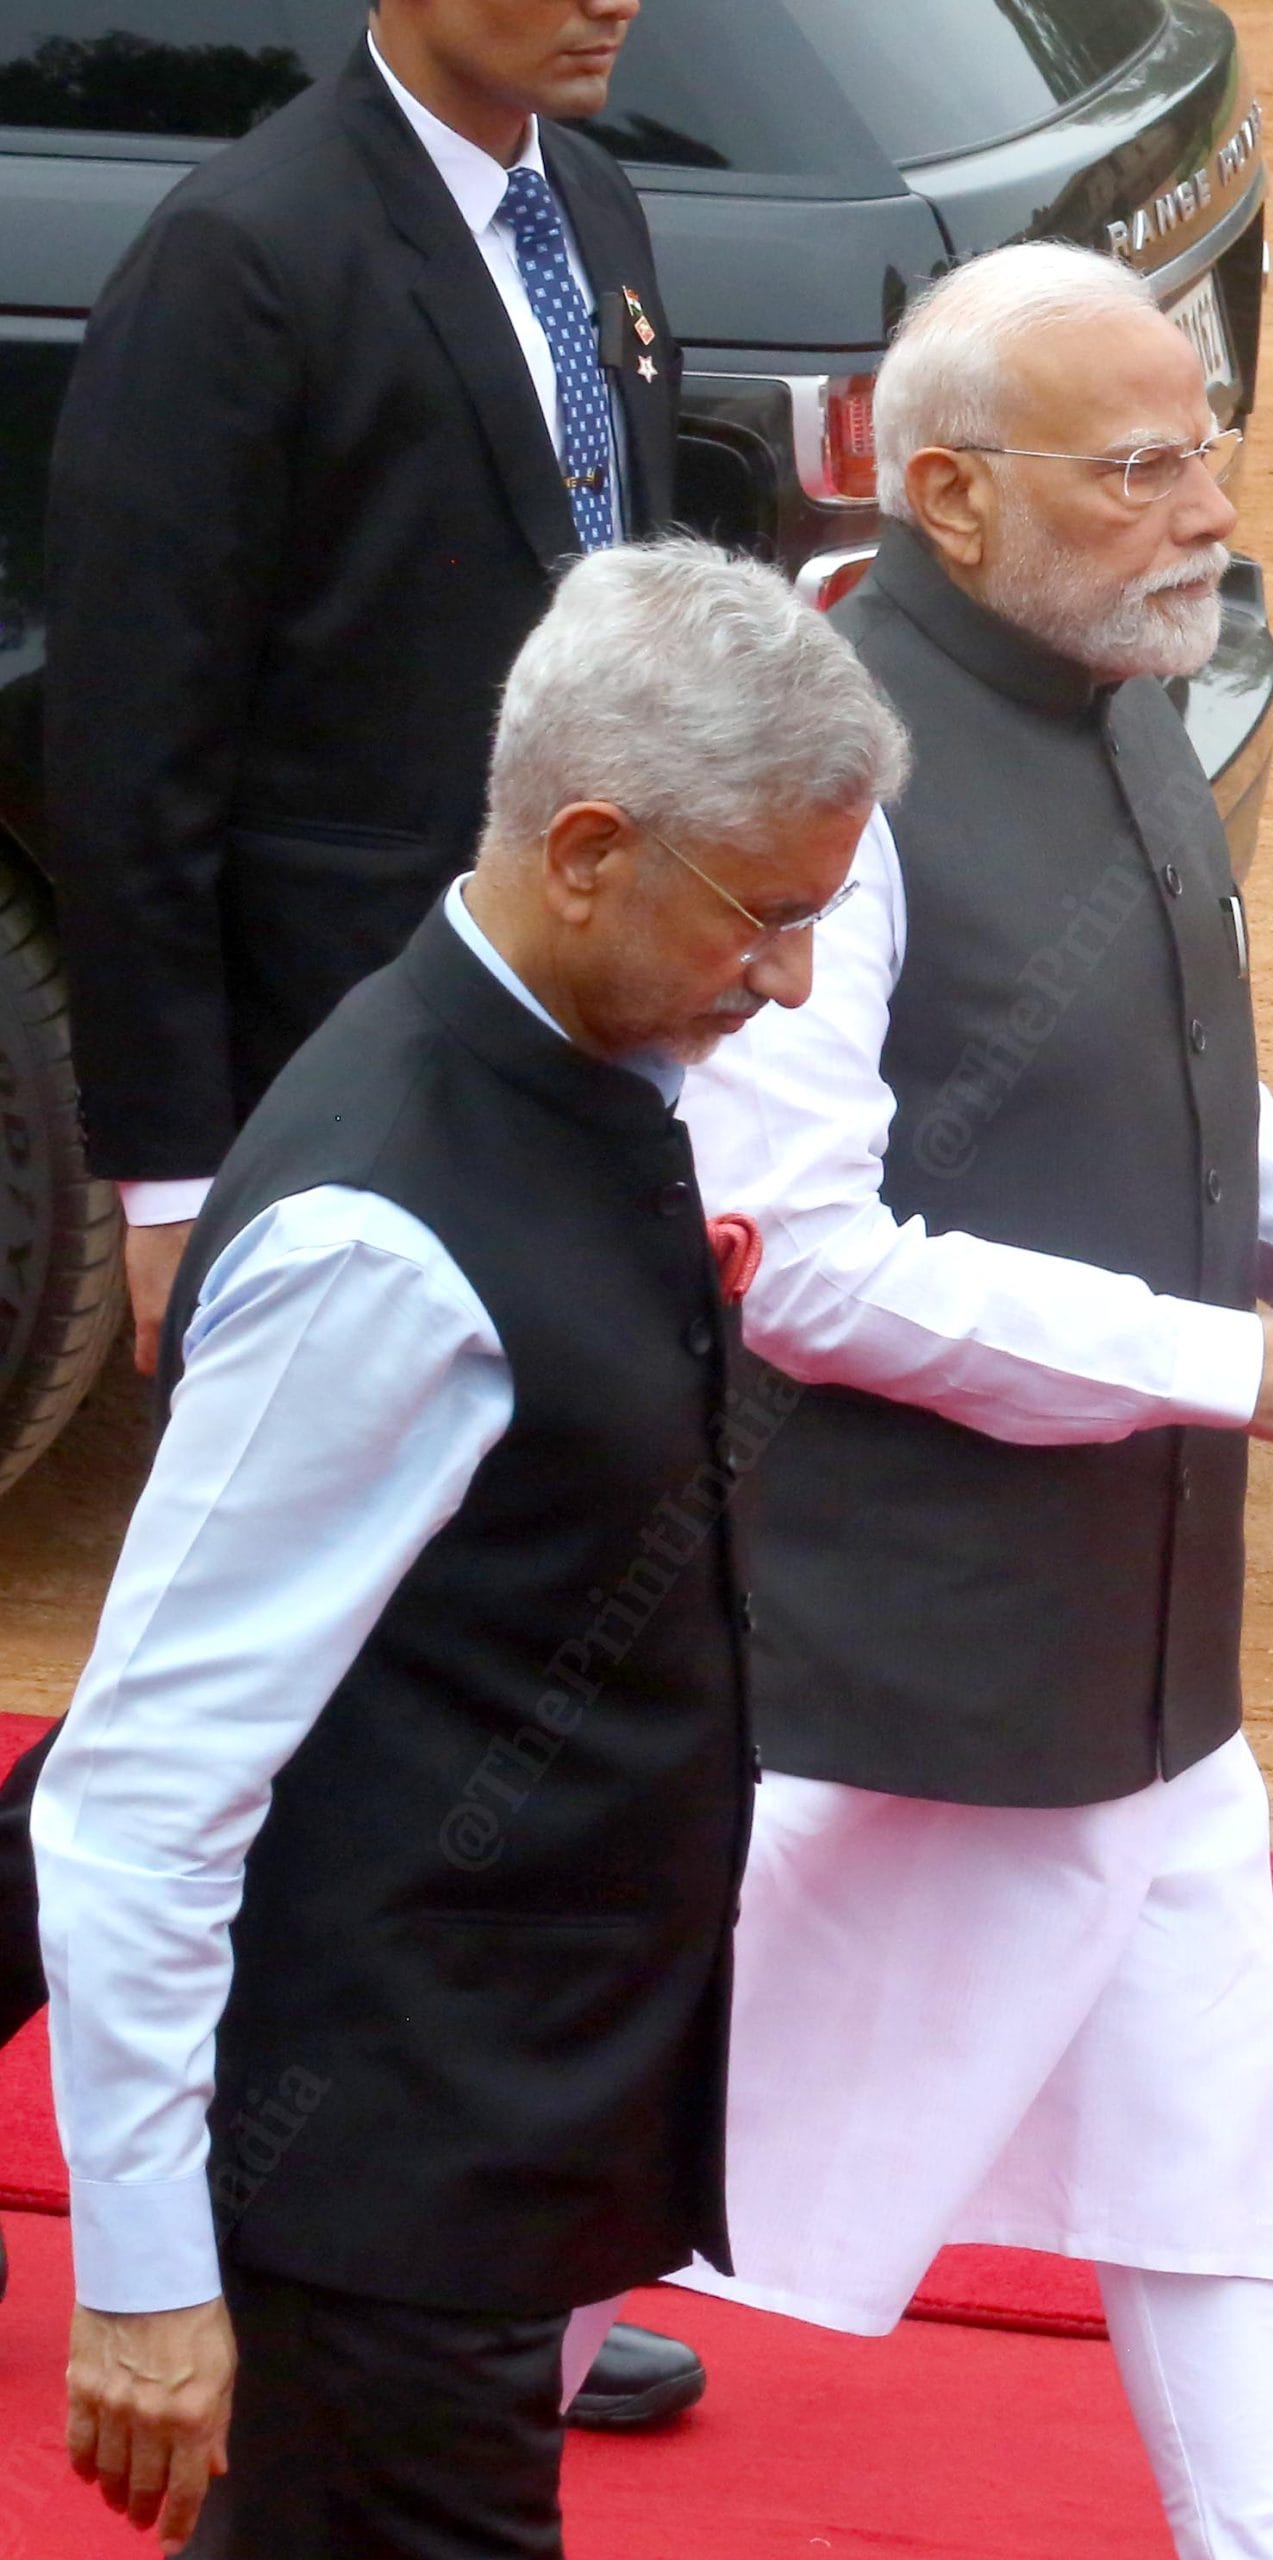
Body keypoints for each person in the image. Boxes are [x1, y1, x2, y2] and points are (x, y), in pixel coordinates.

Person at [671, 245, 1273, 2560]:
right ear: (949, 495)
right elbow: (796, 1257)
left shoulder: (1124, 692)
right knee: (649, 2148)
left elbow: (1186, 1065)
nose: (1205, 506)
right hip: (895, 1659)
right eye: (1141, 465)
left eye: (1212, 446)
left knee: (1203, 2146)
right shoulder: (823, 783)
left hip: (1126, 1637)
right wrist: (1241, 1365)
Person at [30, 537, 910, 2559]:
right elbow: (138, 1789)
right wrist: (154, 2270)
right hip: (373, 2201)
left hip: (471, 2159)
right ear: (589, 848)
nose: (784, 983)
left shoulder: (574, 1057)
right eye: (766, 919)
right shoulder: (377, 1243)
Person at [4, 0, 697, 2415]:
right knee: (246, 1702)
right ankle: (358, 2239)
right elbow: (136, 740)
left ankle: (478, 2240)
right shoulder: (248, 257)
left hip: (542, 1072)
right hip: (338, 1108)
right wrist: (177, 1175)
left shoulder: (585, 212)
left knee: (411, 1668)